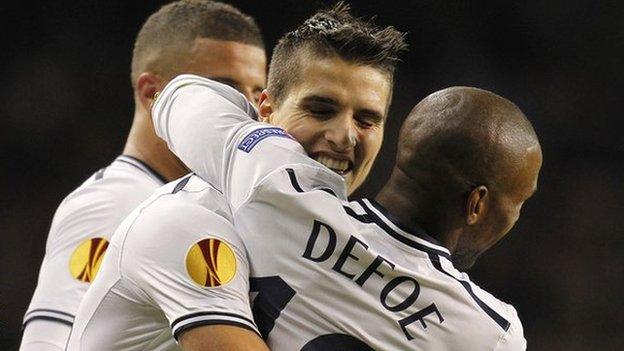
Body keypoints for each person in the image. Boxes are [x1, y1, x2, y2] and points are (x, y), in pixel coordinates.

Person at [67, 4, 407, 350]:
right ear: (266, 112)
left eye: (366, 120)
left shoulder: (332, 243)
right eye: (321, 110)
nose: (344, 136)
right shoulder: (189, 220)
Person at [146, 75, 541, 349]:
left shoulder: (281, 188)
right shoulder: (489, 332)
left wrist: (264, 134)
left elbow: (179, 97)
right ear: (477, 204)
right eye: (519, 204)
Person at [20, 1, 266, 350]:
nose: (249, 108)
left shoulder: (199, 205)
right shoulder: (114, 202)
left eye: (257, 92)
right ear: (153, 93)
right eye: (223, 88)